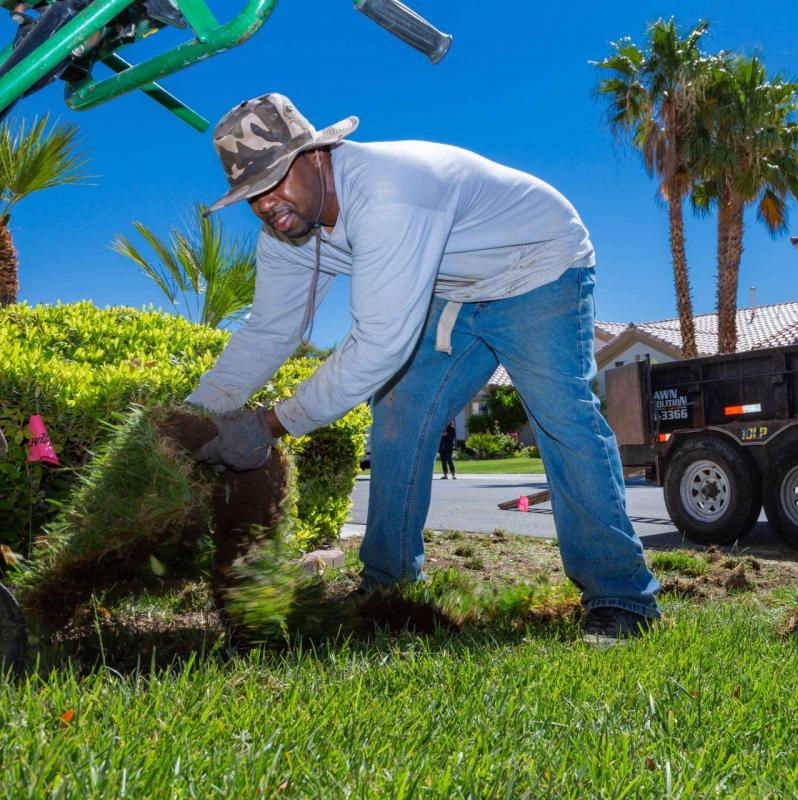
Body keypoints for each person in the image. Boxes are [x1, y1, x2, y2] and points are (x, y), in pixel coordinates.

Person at [185, 94, 659, 642]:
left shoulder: (388, 192)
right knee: (398, 418)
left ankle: (621, 595)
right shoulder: (287, 232)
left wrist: (269, 426)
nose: (266, 204)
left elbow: (380, 342)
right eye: (251, 195)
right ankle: (388, 586)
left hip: (540, 267)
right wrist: (194, 419)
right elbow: (268, 332)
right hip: (453, 288)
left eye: (273, 181)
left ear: (316, 156)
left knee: (563, 418)